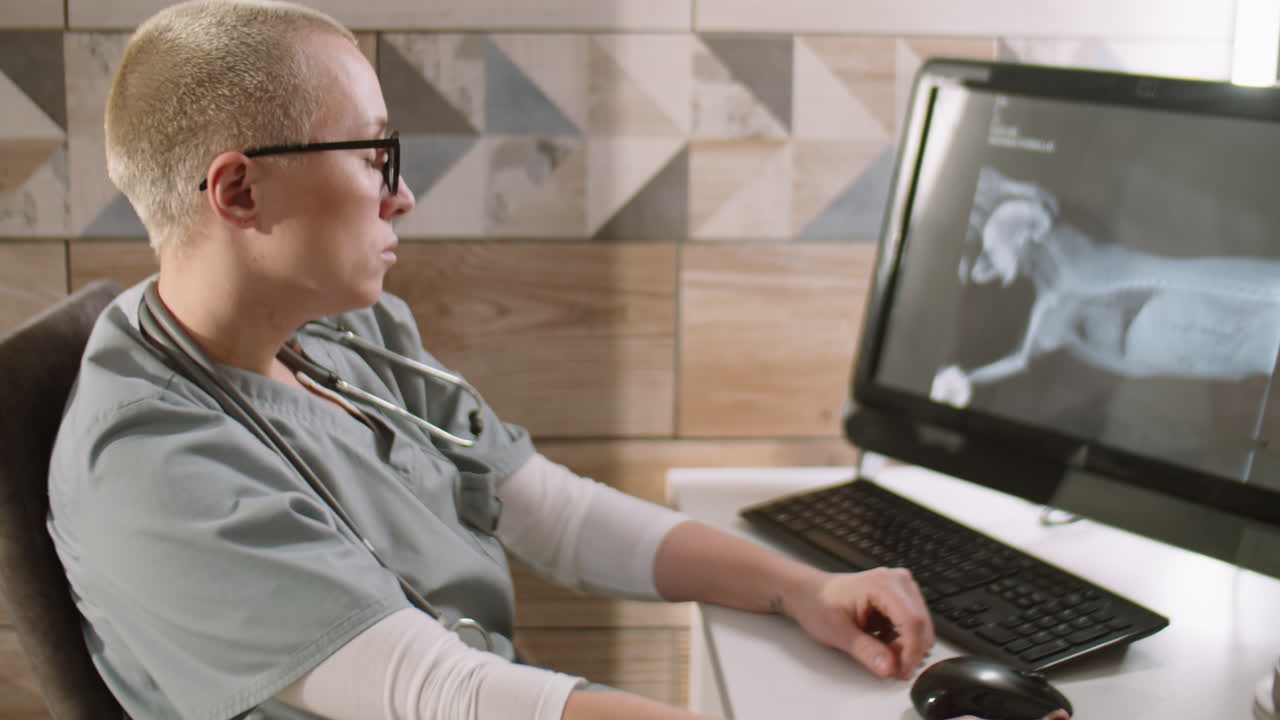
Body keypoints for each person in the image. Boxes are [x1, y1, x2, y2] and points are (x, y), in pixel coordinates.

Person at [45, 1, 950, 718]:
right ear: (239, 191)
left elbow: (549, 511)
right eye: (371, 154)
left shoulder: (347, 335)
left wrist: (802, 590)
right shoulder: (150, 470)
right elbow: (440, 695)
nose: (399, 195)